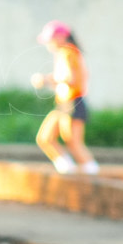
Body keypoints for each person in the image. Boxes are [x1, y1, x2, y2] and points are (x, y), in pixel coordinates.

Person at [30, 20, 99, 175]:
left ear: (61, 37)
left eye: (51, 40)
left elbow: (70, 78)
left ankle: (91, 172)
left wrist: (46, 79)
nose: (49, 44)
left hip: (73, 101)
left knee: (73, 143)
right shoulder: (66, 53)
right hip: (64, 102)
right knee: (45, 138)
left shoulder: (68, 52)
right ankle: (68, 170)